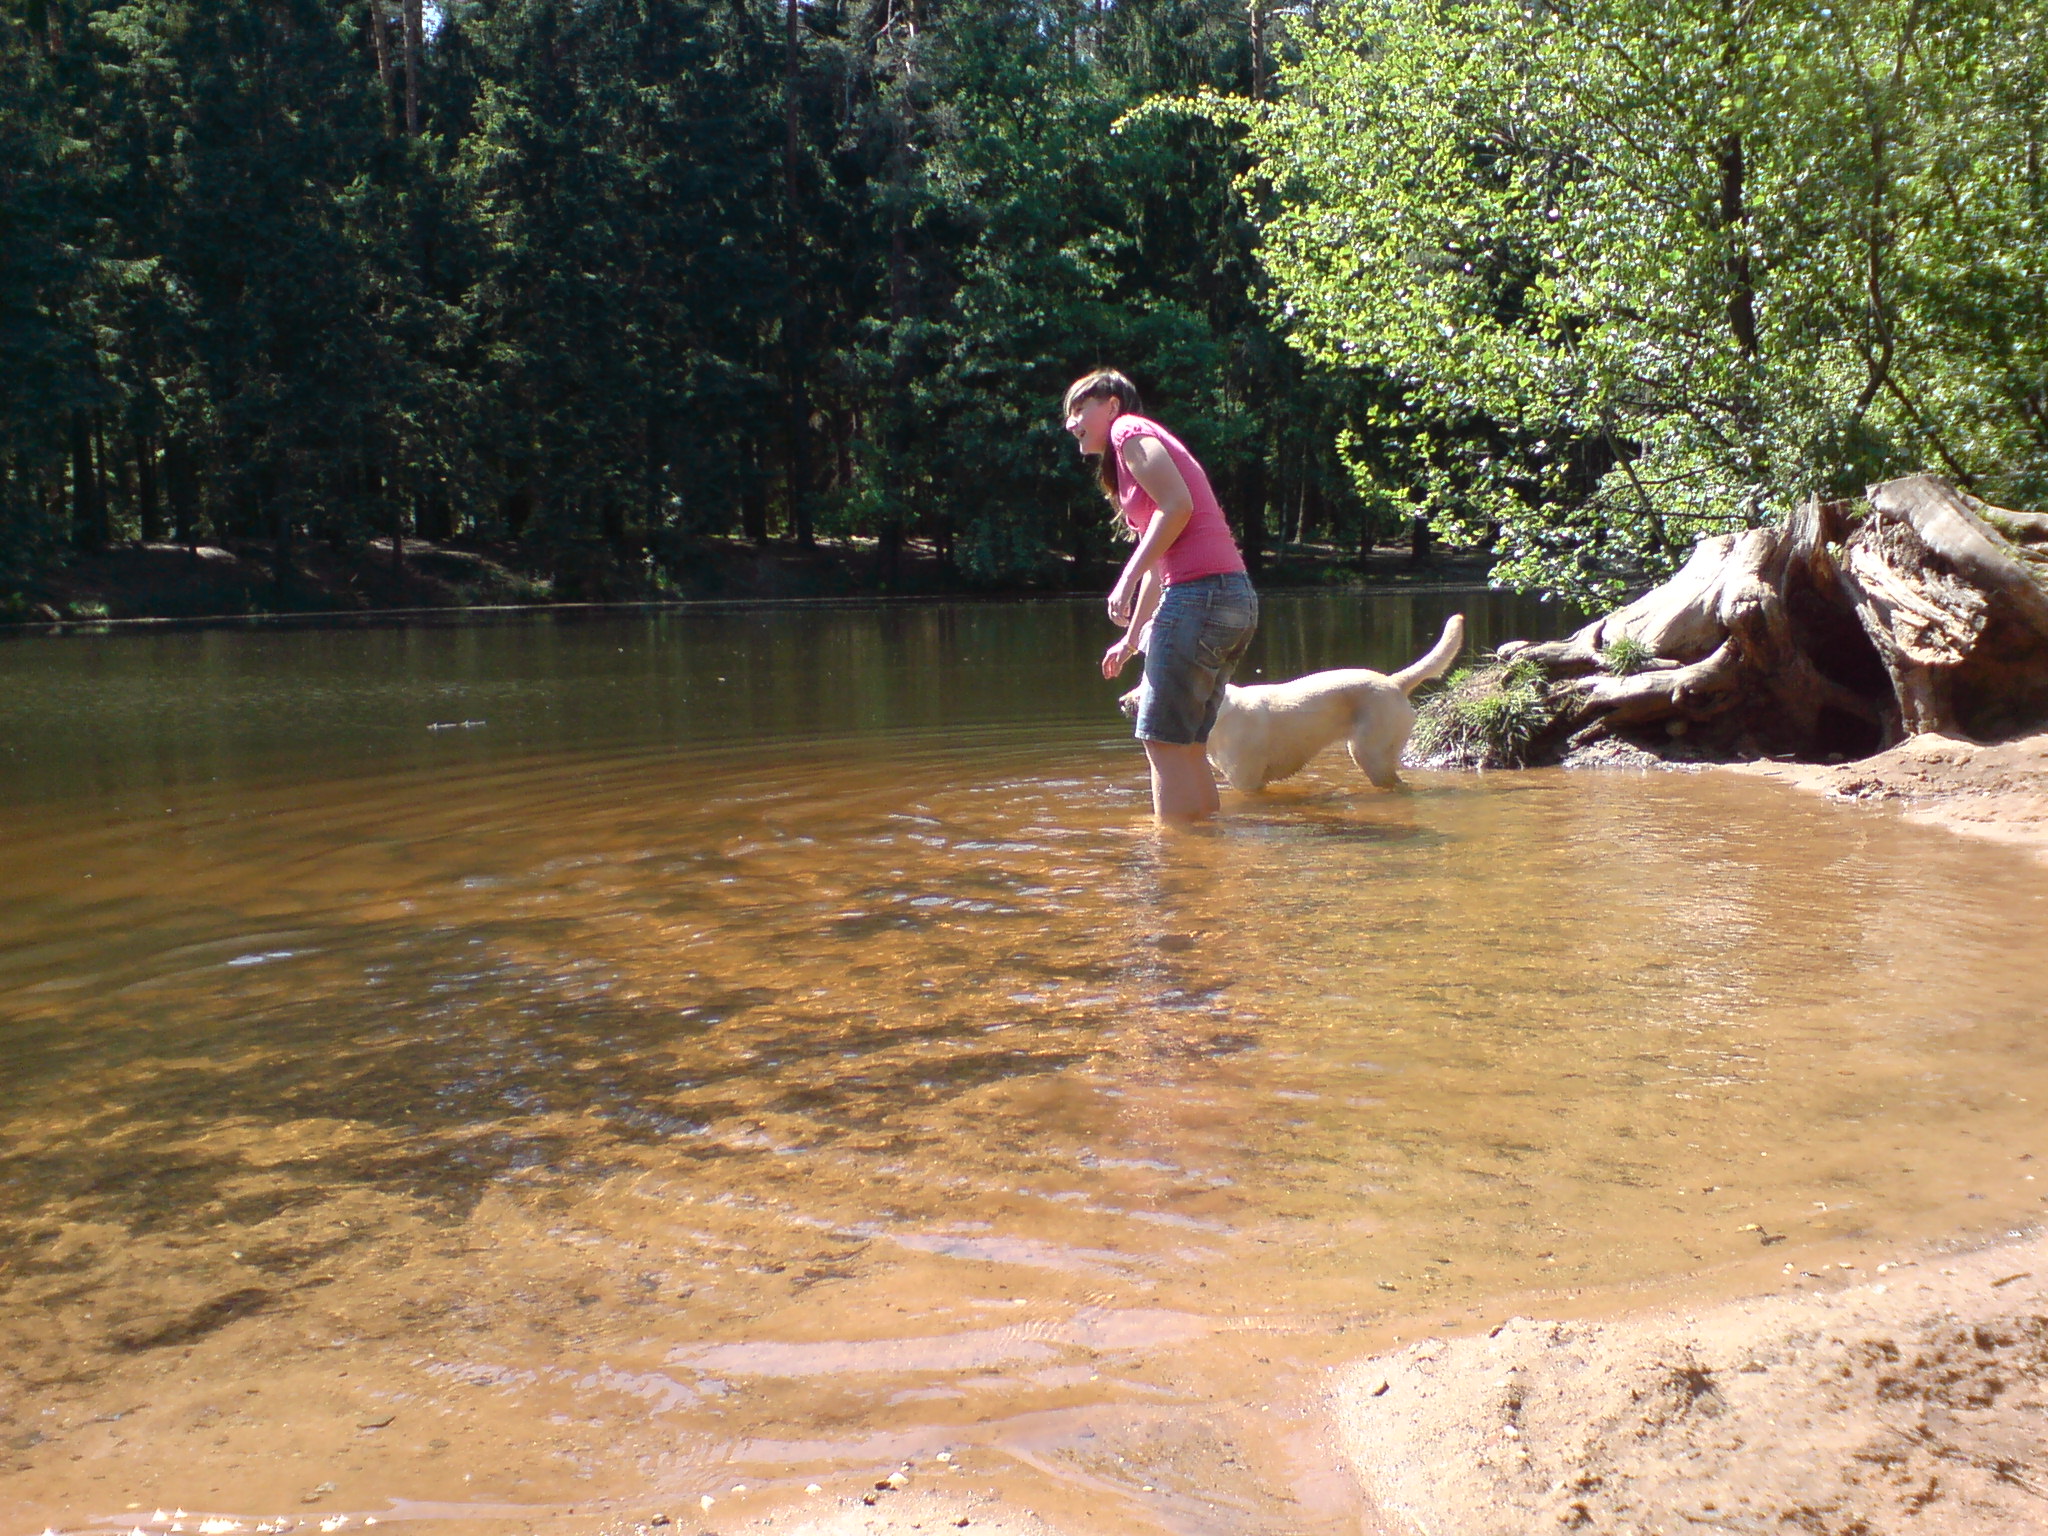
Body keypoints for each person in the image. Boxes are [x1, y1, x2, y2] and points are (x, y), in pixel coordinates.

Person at [1062, 369, 1258, 822]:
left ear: (1112, 405)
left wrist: (1125, 578)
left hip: (1200, 597)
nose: (1071, 423)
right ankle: (1206, 848)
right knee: (1187, 745)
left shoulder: (1128, 429)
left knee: (1162, 741)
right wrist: (1131, 640)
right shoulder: (1127, 459)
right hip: (1231, 598)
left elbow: (1178, 506)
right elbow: (1160, 561)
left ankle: (1171, 858)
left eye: (1080, 409)